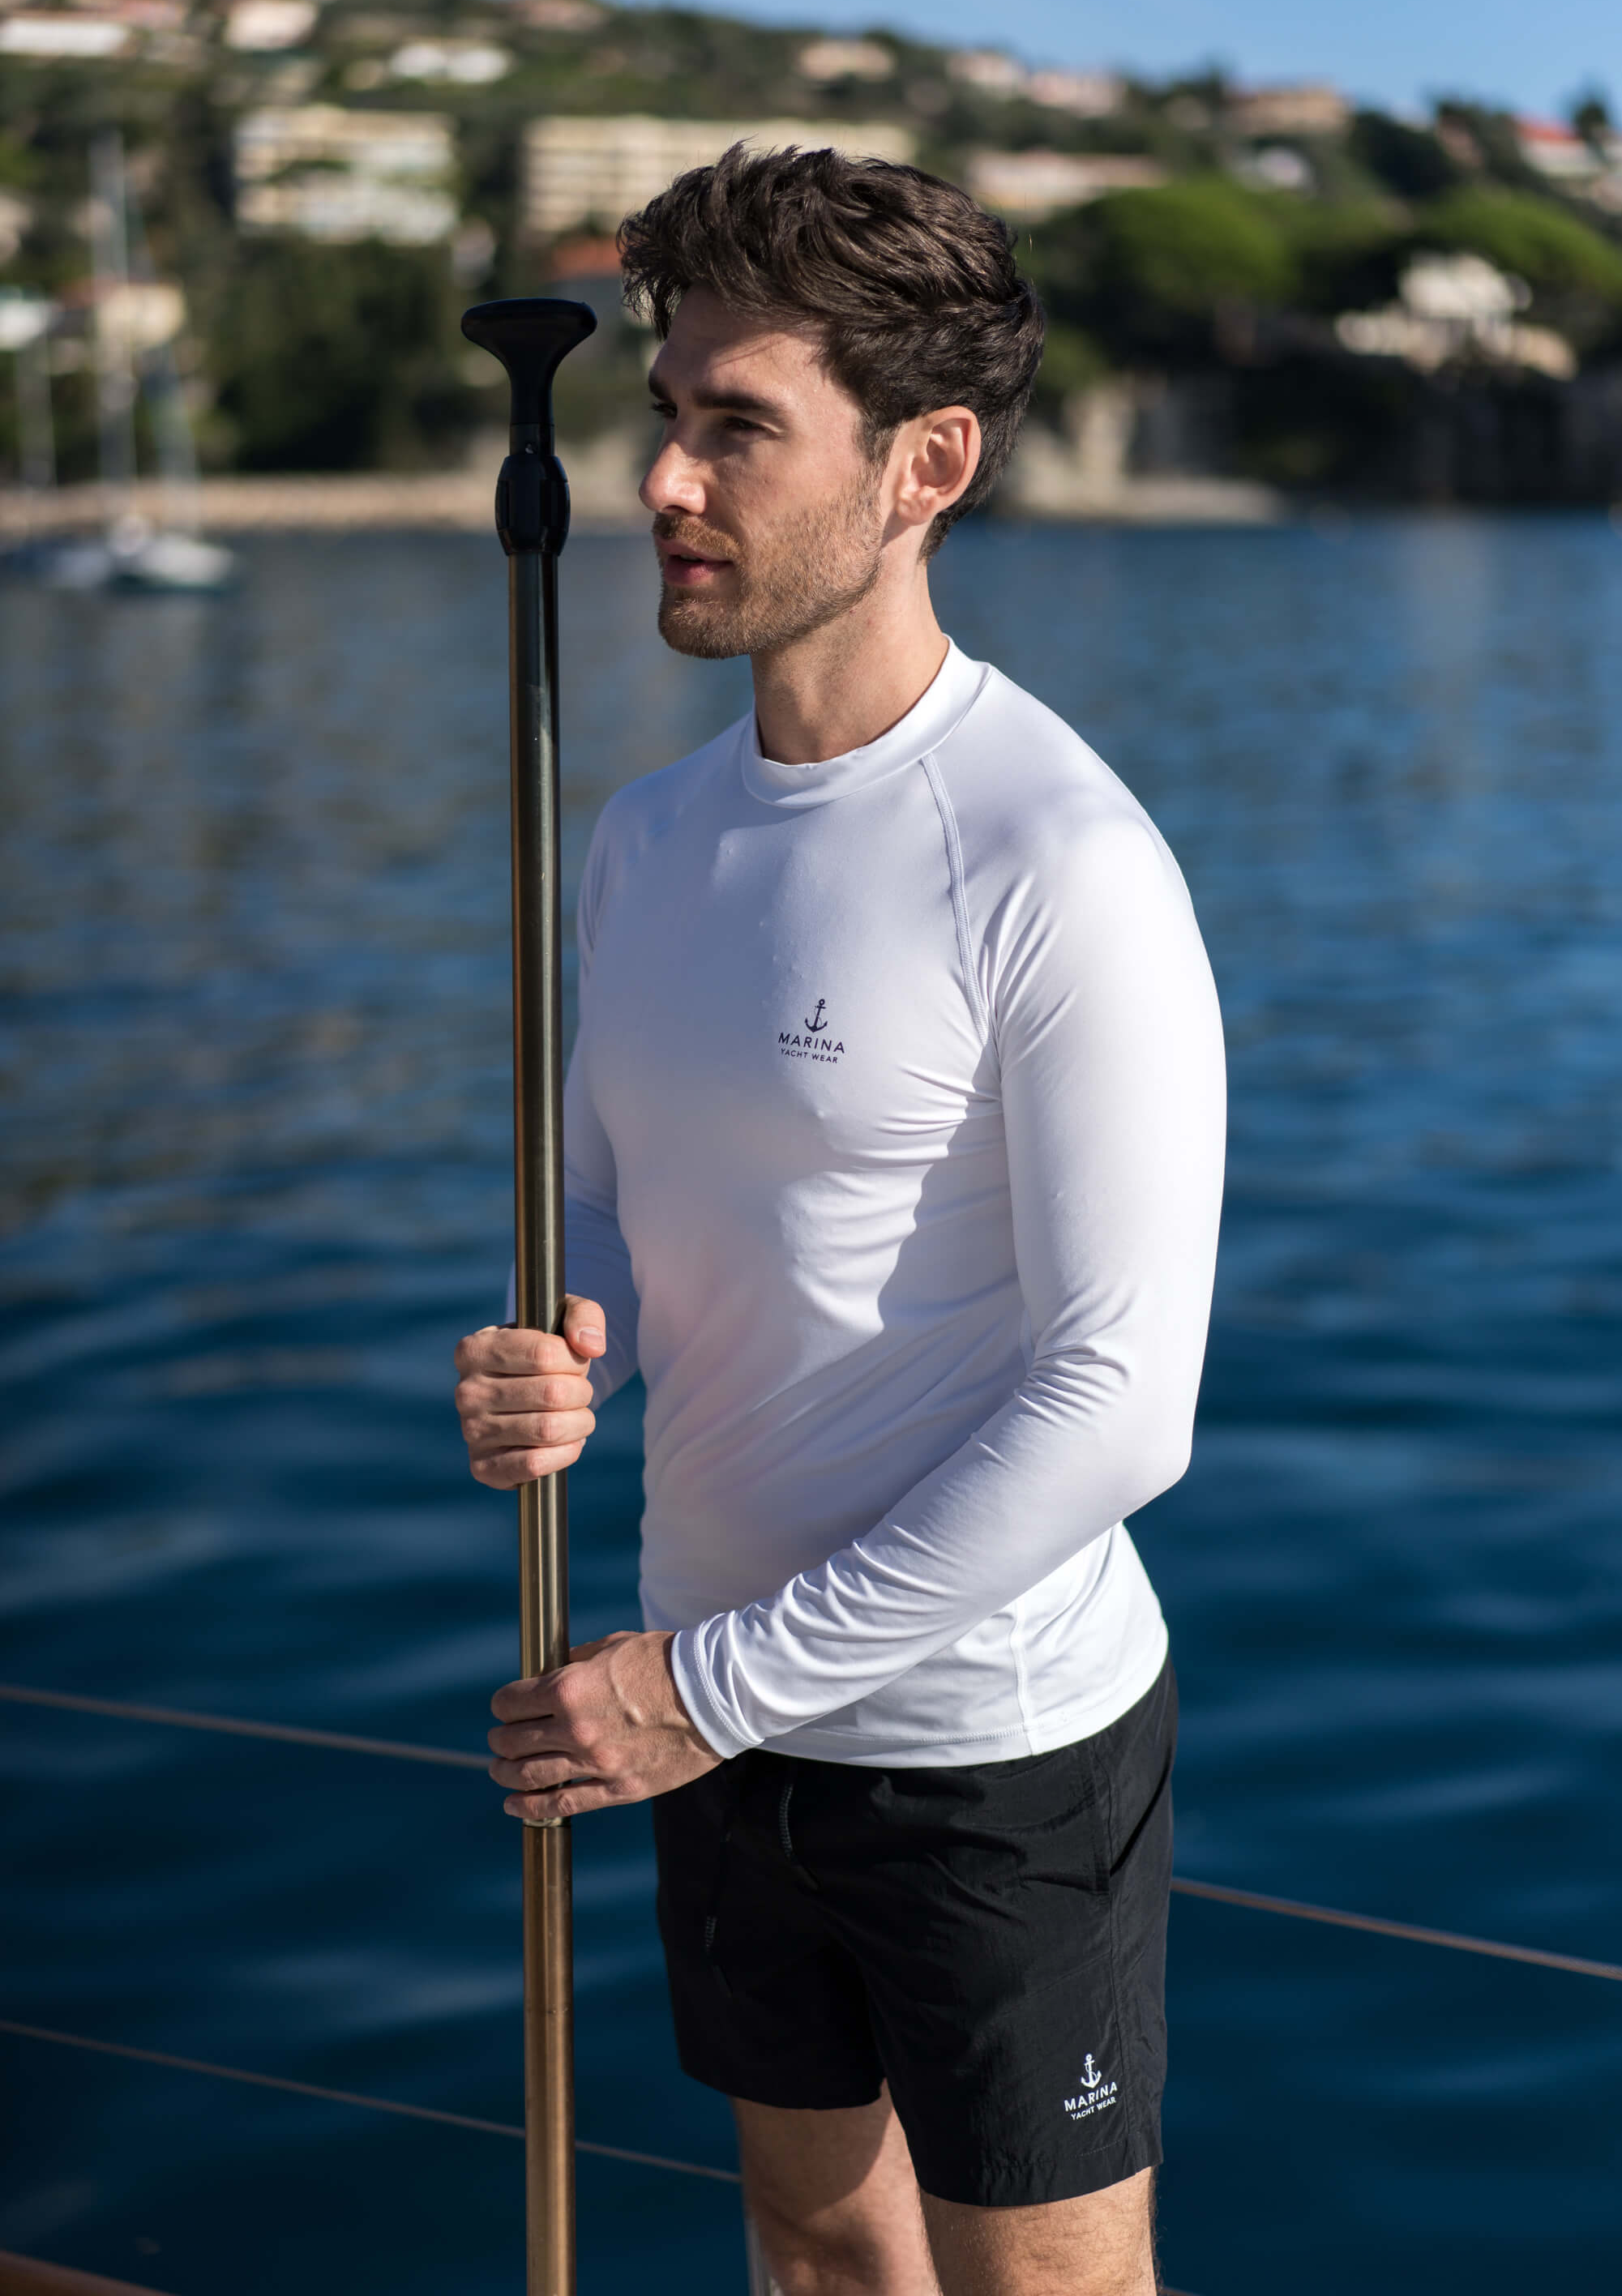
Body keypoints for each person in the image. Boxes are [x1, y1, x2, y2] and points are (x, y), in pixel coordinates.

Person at [453, 145, 1226, 2296]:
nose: (663, 483)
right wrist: (566, 1340)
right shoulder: (643, 836)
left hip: (985, 1755)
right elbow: (605, 1195)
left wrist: (707, 1692)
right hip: (699, 1700)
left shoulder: (1056, 857)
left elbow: (1120, 1404)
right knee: (814, 2252)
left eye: (738, 426)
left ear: (926, 464)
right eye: (663, 416)